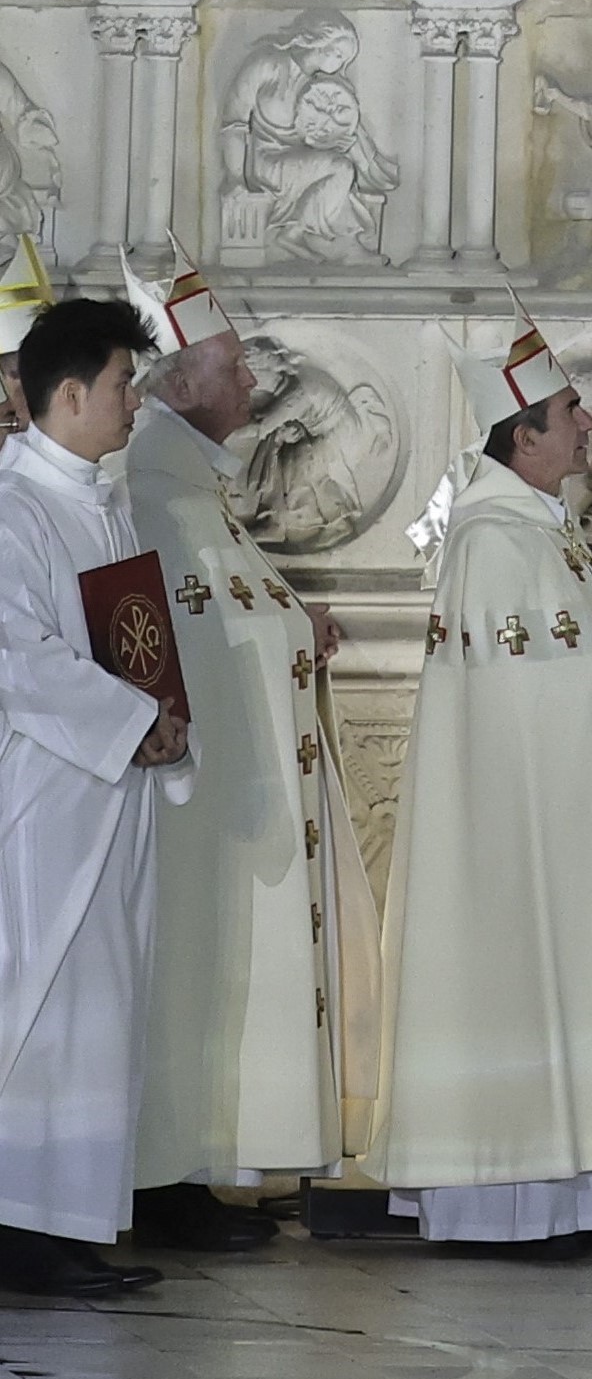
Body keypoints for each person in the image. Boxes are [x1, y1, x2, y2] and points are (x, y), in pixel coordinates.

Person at [370, 319, 592, 1252]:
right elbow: (524, 708)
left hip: (559, 832)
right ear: (521, 438)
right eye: (567, 412)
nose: (587, 423)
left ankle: (569, 1199)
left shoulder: (543, 536)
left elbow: (580, 669)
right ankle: (509, 1201)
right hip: (516, 845)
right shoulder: (491, 546)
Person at [119, 266, 368, 1250]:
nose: (252, 388)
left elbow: (234, 614)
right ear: (181, 382)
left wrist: (295, 626)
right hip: (181, 794)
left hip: (220, 793)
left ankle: (191, 1171)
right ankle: (160, 1181)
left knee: (207, 978)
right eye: (232, 368)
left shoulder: (195, 486)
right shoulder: (151, 486)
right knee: (178, 976)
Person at [0, 297, 191, 1299]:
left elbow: (136, 642)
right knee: (43, 1006)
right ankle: (21, 1229)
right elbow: (16, 657)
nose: (134, 402)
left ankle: (69, 1222)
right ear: (69, 394)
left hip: (111, 793)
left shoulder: (105, 500)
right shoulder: (14, 507)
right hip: (46, 802)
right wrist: (127, 720)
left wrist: (163, 720)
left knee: (101, 1006)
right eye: (124, 383)